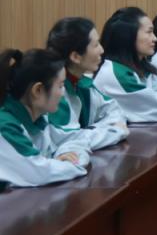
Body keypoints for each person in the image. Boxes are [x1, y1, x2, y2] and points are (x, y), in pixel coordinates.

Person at [0, 49, 92, 187]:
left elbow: (70, 142)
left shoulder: (38, 119)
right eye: (60, 86)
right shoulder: (5, 126)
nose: (62, 94)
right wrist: (70, 165)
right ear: (38, 90)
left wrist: (57, 161)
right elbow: (38, 173)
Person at [94, 7, 157, 123]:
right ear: (128, 36)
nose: (155, 38)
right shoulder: (115, 73)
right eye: (149, 32)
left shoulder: (145, 67)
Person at [46, 17, 129, 149]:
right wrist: (115, 132)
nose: (102, 50)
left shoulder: (82, 82)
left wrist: (93, 130)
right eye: (96, 45)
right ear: (75, 57)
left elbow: (115, 110)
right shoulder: (55, 92)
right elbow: (71, 140)